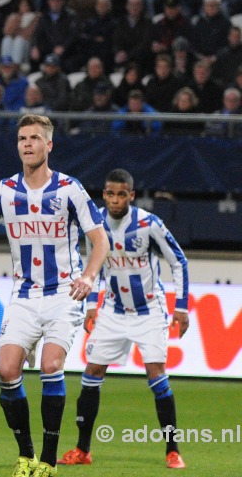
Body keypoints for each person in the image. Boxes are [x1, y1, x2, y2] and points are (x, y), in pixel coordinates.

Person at [0, 114, 110, 477]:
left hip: (63, 295)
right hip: (23, 296)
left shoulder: (70, 189)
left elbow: (100, 239)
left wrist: (89, 276)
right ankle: (26, 454)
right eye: (23, 138)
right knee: (7, 372)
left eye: (35, 138)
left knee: (52, 366)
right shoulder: (5, 190)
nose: (27, 144)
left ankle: (49, 459)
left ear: (49, 145)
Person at [58, 168, 189, 470]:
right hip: (113, 310)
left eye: (121, 194)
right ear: (103, 194)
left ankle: (172, 450)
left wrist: (181, 307)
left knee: (156, 374)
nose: (115, 199)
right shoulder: (96, 224)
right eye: (109, 193)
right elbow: (95, 263)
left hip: (149, 311)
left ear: (131, 195)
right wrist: (92, 303)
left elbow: (178, 260)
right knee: (92, 373)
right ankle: (82, 450)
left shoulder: (149, 224)